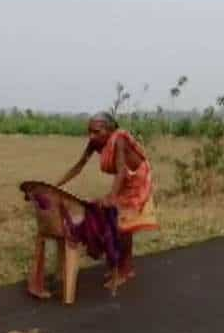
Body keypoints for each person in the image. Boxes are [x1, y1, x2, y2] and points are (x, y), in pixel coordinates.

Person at [56, 111, 159, 289]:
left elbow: (121, 170)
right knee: (122, 225)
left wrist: (112, 197)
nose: (92, 136)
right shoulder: (94, 143)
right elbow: (79, 166)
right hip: (125, 178)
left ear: (110, 129)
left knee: (123, 225)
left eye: (96, 131)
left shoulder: (119, 139)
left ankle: (124, 270)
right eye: (89, 131)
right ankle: (124, 267)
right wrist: (55, 186)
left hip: (136, 178)